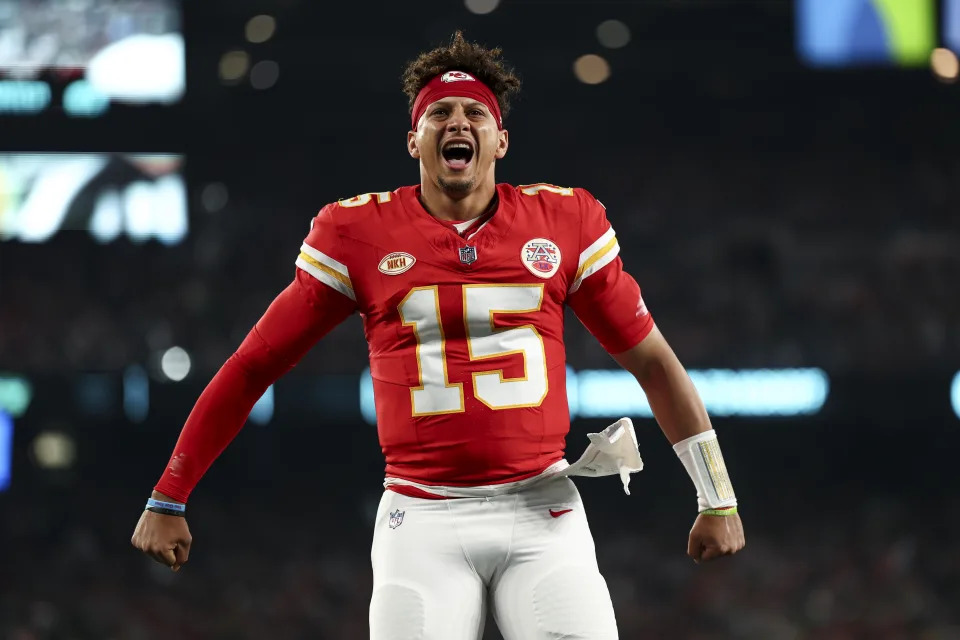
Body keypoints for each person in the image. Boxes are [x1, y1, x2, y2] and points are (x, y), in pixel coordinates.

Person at [131, 31, 745, 640]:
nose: (458, 122)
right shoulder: (358, 233)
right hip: (421, 516)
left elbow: (654, 363)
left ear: (500, 139)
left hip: (543, 510)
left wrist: (716, 495)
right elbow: (251, 367)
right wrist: (169, 494)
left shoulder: (564, 222)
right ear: (413, 139)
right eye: (439, 113)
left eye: (476, 112)